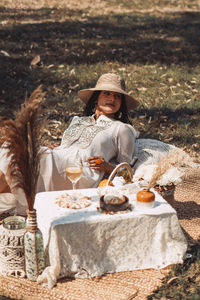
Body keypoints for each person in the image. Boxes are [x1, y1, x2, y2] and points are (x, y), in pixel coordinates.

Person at [0, 73, 140, 214]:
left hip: (80, 173)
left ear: (121, 102)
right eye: (107, 93)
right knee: (10, 149)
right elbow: (66, 147)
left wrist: (106, 166)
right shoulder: (78, 121)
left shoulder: (122, 129)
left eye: (117, 96)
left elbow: (127, 172)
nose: (112, 99)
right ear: (96, 98)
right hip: (58, 161)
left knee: (19, 157)